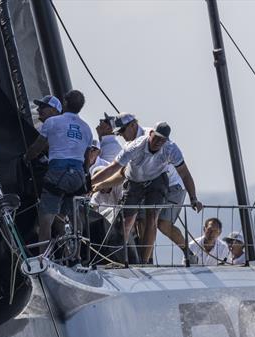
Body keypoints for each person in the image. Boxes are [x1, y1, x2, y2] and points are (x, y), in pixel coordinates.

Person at [92, 121, 202, 263]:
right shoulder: (135, 146)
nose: (158, 142)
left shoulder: (171, 149)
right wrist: (91, 182)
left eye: (162, 140)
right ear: (150, 134)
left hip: (157, 181)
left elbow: (185, 174)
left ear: (166, 141)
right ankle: (116, 259)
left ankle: (145, 262)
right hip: (134, 182)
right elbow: (113, 168)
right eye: (156, 137)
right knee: (127, 222)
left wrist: (193, 198)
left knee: (152, 220)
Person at [25, 90, 93, 250]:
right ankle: (75, 257)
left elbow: (36, 148)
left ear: (64, 103)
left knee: (46, 219)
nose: (38, 110)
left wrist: (25, 158)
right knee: (71, 216)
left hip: (57, 173)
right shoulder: (87, 129)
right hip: (77, 176)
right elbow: (86, 160)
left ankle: (44, 258)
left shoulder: (52, 123)